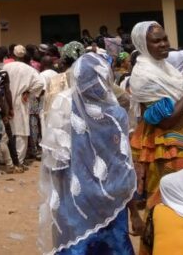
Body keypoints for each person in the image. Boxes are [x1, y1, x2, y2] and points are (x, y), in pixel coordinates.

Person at [40, 52, 137, 255]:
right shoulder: (116, 113)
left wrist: (58, 204)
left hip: (77, 202)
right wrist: (134, 211)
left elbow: (56, 164)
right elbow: (124, 168)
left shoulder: (64, 107)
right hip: (109, 199)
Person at [129, 21, 183, 210]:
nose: (163, 44)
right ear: (143, 45)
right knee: (169, 202)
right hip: (165, 146)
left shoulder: (167, 69)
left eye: (165, 39)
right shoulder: (144, 76)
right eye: (156, 41)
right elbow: (166, 121)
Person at [3, 45, 44, 166]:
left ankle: (7, 160)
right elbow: (40, 83)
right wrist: (28, 92)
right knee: (21, 132)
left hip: (6, 101)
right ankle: (19, 161)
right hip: (21, 100)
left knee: (8, 131)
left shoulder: (6, 67)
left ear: (13, 54)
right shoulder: (29, 69)